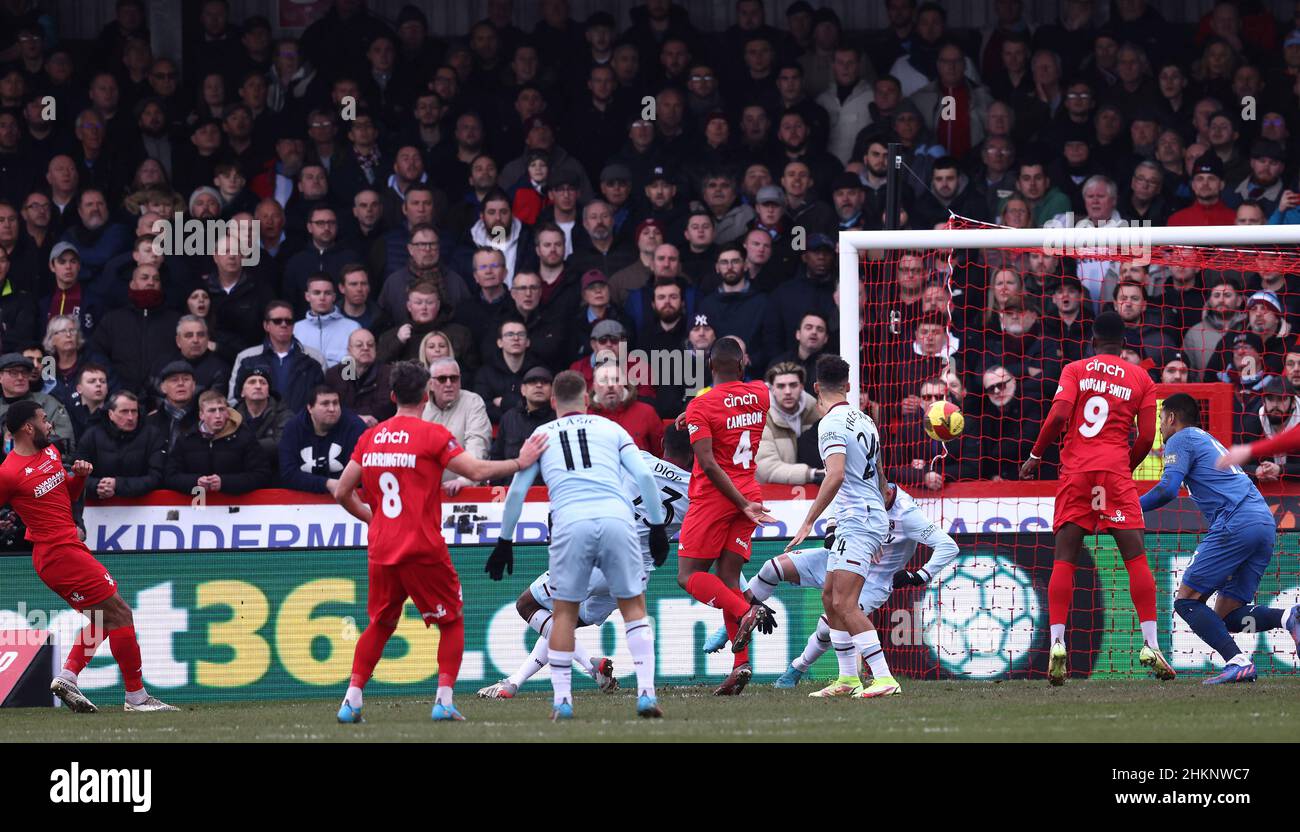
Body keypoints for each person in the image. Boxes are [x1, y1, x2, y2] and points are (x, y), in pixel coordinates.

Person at [333, 361, 549, 724]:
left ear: (391, 396)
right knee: (451, 621)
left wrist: (376, 520)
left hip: (382, 548)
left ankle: (351, 700)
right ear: (425, 394)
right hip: (421, 547)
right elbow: (477, 471)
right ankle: (444, 700)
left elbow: (342, 491)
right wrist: (519, 461)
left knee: (381, 623)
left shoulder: (370, 437)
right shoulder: (431, 434)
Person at [487, 369, 667, 720]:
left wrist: (505, 540)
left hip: (571, 524)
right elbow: (645, 475)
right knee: (633, 609)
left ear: (553, 402)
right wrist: (658, 527)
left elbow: (517, 492)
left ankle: (563, 702)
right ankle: (646, 695)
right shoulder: (611, 429)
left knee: (564, 614)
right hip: (617, 520)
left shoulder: (540, 435)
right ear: (587, 400)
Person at [479, 429, 693, 700]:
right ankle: (513, 682)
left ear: (662, 441)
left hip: (598, 558)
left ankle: (590, 664)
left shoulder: (636, 459)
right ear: (694, 453)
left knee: (527, 605)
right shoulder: (695, 488)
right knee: (562, 623)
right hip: (635, 573)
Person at [1019, 311, 1174, 685]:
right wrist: (1125, 465)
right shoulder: (1141, 378)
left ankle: (1058, 642)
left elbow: (1058, 415)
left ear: (1091, 339)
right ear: (1124, 342)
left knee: (1065, 558)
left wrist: (1036, 454)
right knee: (1135, 557)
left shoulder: (1075, 369)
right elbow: (1147, 437)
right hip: (1115, 473)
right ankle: (1151, 644)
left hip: (1076, 473)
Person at [0, 399, 176, 712]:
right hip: (56, 553)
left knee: (103, 616)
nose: (50, 424)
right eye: (44, 419)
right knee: (121, 614)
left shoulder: (51, 452)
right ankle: (136, 698)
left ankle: (68, 676)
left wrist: (79, 478)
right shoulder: (9, 473)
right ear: (28, 427)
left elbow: (64, 495)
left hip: (67, 547)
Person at [1140, 393, 1300, 683]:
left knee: (1186, 601)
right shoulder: (1205, 439)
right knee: (1228, 615)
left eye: (1161, 421)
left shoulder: (1181, 439)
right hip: (1264, 522)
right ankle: (1289, 616)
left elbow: (1167, 489)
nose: (1160, 429)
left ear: (1172, 418)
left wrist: (1131, 507)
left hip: (1236, 521)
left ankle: (1237, 661)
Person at [759, 481, 961, 689]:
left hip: (874, 581)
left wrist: (919, 575)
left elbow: (948, 546)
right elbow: (839, 497)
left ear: (888, 494)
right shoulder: (863, 491)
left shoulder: (907, 514)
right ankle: (730, 632)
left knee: (829, 624)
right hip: (840, 557)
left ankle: (798, 670)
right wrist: (831, 528)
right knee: (772, 567)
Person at [783, 354, 896, 698]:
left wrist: (808, 521)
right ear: (848, 386)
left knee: (846, 604)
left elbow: (835, 474)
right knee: (830, 599)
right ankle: (847, 678)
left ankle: (885, 678)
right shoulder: (866, 420)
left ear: (815, 388)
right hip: (865, 514)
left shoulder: (830, 424)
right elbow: (881, 477)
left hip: (858, 518)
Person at [675, 336, 775, 695]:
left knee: (688, 576)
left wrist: (695, 412)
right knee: (728, 576)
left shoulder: (703, 405)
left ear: (710, 368)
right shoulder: (762, 393)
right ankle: (740, 664)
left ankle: (745, 611)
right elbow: (732, 407)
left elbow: (706, 462)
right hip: (750, 490)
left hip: (717, 498)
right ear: (743, 365)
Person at [164, 389, 270, 496]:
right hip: (196, 507)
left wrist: (224, 482)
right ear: (201, 415)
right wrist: (195, 482)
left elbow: (261, 475)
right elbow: (170, 476)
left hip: (236, 507)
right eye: (212, 410)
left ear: (228, 412)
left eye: (222, 409)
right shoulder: (186, 439)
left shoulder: (245, 437)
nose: (218, 415)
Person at [73, 390, 164, 498]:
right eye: (124, 411)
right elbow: (77, 473)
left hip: (143, 508)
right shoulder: (91, 436)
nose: (130, 417)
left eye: (134, 411)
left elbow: (156, 477)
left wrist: (118, 485)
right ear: (111, 414)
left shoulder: (152, 435)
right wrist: (97, 486)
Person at [279, 385, 367, 495]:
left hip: (346, 499)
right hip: (301, 501)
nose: (332, 409)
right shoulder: (293, 429)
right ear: (310, 408)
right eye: (325, 404)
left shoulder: (355, 427)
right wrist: (327, 484)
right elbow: (288, 474)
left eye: (335, 403)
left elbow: (361, 473)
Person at [755, 361, 822, 485]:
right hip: (770, 495)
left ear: (802, 386)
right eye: (781, 386)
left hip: (811, 494)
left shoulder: (813, 409)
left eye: (793, 385)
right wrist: (812, 474)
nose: (787, 391)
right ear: (772, 389)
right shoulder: (759, 416)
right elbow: (767, 469)